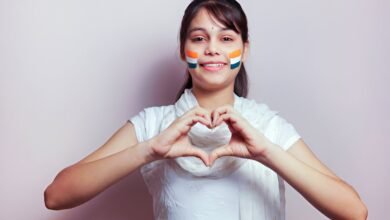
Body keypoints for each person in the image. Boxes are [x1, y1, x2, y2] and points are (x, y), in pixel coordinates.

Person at [44, 0, 368, 219]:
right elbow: (56, 196)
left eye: (227, 38)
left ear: (245, 49)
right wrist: (149, 151)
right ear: (184, 52)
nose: (212, 48)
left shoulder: (267, 126)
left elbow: (355, 212)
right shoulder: (154, 124)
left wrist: (266, 153)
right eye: (199, 38)